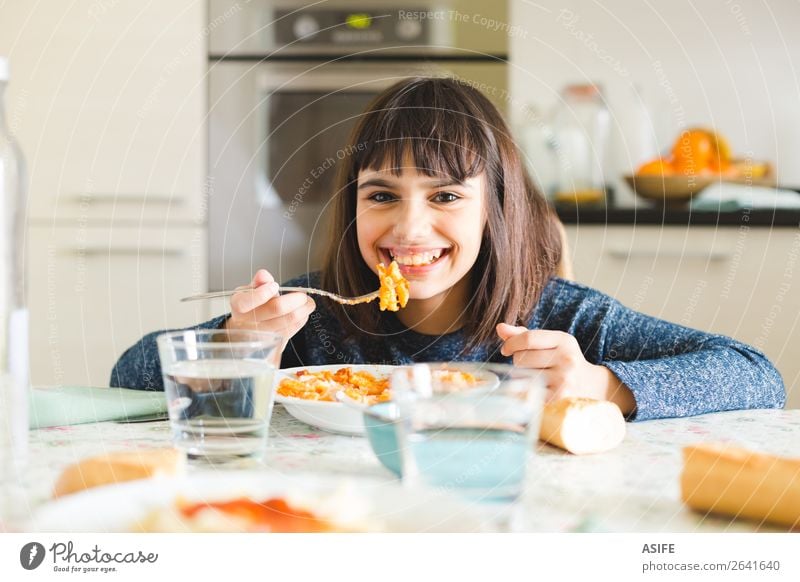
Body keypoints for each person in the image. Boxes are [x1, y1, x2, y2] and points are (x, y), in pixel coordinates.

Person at [110, 77, 785, 422]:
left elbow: (758, 376)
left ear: (497, 210)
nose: (408, 229)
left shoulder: (563, 320)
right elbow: (128, 374)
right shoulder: (312, 325)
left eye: (445, 197)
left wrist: (601, 385)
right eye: (380, 196)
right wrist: (237, 345)